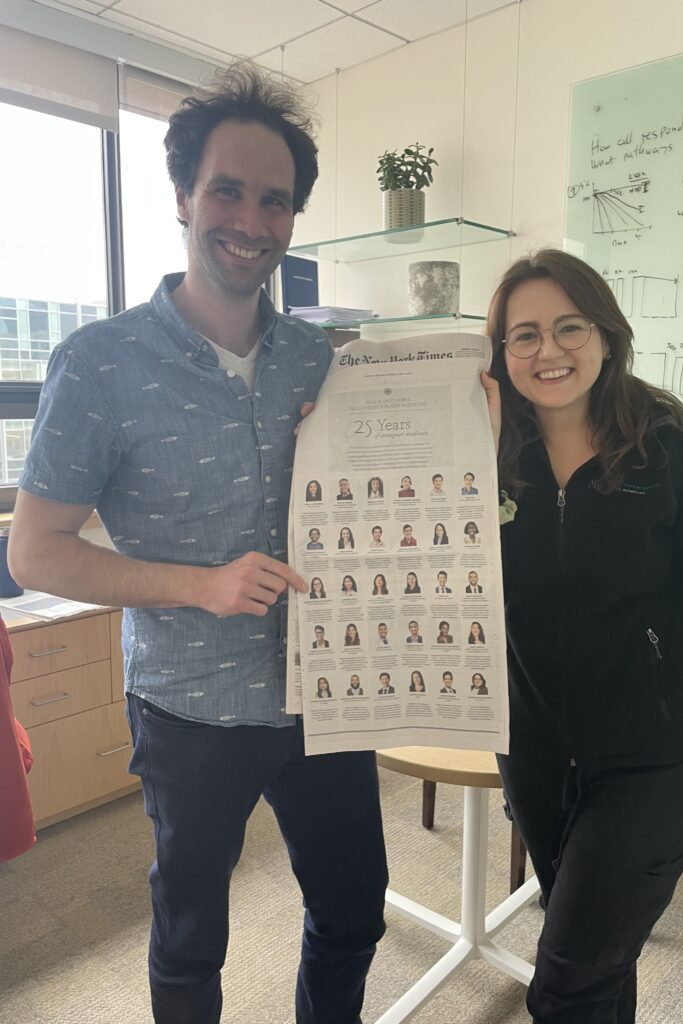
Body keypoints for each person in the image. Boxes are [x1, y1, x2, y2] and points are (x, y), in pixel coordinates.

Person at [9, 64, 388, 1024]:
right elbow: (37, 553)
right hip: (188, 710)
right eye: (228, 190)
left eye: (275, 200)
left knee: (353, 912)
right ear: (181, 194)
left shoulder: (320, 357)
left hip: (323, 693)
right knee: (189, 941)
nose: (251, 221)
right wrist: (198, 585)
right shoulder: (97, 364)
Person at [481, 248, 683, 1024]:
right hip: (536, 755)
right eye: (524, 335)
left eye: (569, 327)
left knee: (564, 984)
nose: (548, 351)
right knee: (600, 962)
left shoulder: (667, 440)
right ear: (500, 352)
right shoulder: (487, 452)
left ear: (606, 335)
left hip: (656, 760)